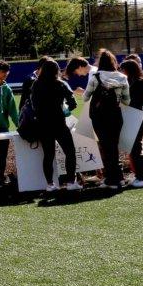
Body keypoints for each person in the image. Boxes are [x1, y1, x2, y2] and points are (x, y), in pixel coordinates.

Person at [31, 57, 81, 191]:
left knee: (48, 155)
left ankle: (50, 184)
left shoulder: (36, 84)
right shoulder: (61, 84)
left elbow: (34, 105)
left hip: (43, 124)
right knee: (70, 152)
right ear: (56, 71)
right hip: (59, 123)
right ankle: (71, 182)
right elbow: (73, 103)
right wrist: (65, 111)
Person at [84, 50, 131, 189]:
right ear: (114, 62)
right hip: (115, 115)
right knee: (114, 147)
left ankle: (110, 179)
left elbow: (85, 97)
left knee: (105, 147)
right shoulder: (122, 77)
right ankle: (119, 178)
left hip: (99, 117)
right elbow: (127, 101)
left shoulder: (95, 77)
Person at [118, 59, 143, 188]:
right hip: (135, 116)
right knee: (134, 149)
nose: (120, 72)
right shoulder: (135, 82)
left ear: (128, 70)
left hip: (136, 117)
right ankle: (141, 176)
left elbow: (136, 101)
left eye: (122, 70)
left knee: (137, 148)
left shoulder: (139, 83)